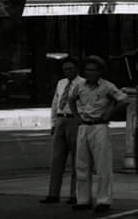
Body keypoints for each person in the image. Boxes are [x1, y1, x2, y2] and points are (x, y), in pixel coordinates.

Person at [67, 55, 128, 214]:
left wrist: (110, 113)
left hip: (100, 126)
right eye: (87, 70)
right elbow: (71, 99)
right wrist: (76, 116)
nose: (90, 73)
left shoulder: (107, 87)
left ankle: (104, 200)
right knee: (81, 165)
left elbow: (124, 100)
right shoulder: (80, 86)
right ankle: (83, 199)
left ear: (100, 72)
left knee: (102, 166)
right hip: (84, 126)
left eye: (93, 70)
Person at [42, 56, 84, 204]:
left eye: (70, 69)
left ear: (77, 69)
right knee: (56, 159)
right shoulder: (61, 83)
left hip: (74, 120)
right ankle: (53, 194)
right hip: (61, 119)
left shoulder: (82, 84)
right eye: (65, 69)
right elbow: (55, 102)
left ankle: (75, 195)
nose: (67, 71)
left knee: (76, 160)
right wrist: (53, 123)